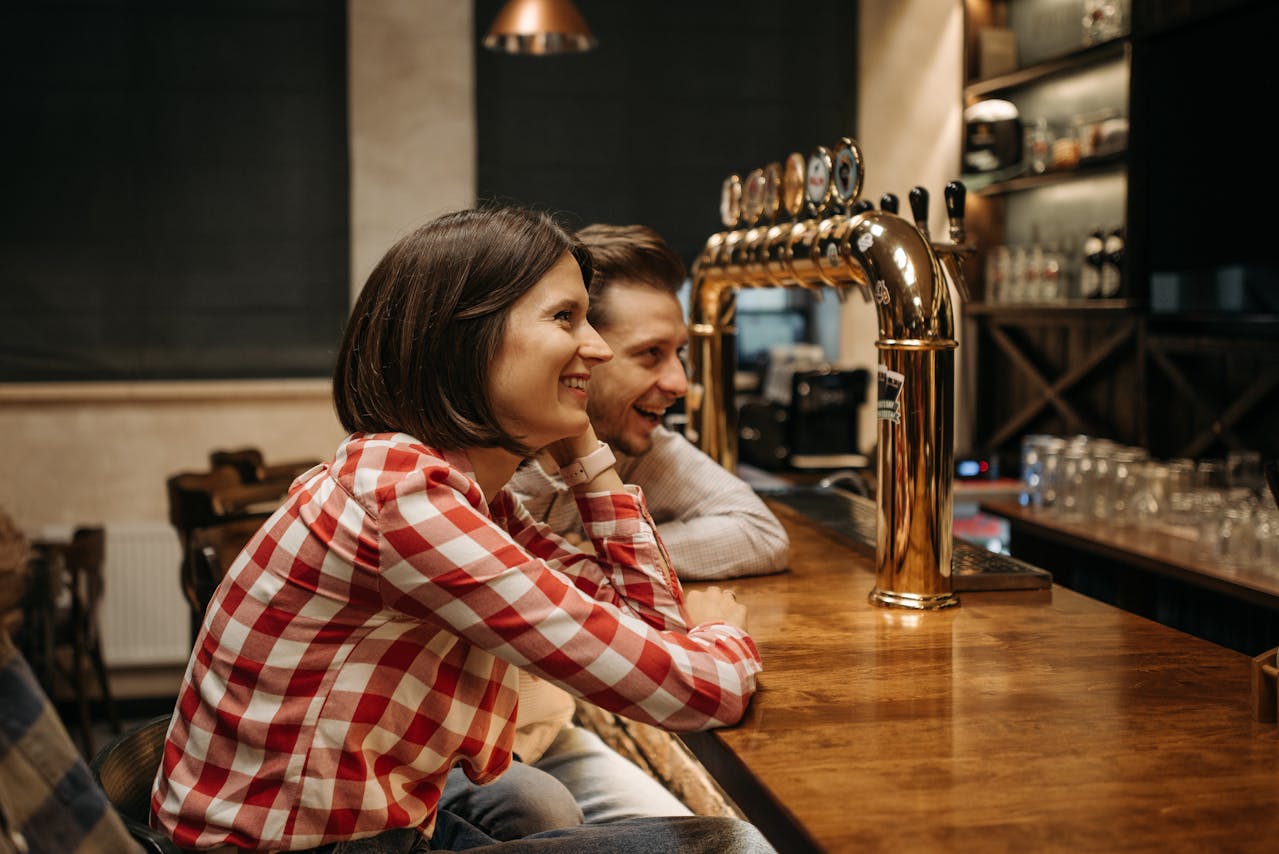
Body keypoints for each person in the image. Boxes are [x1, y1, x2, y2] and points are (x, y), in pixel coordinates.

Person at [149, 206, 772, 854]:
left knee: (530, 800)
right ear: (464, 341)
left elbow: (655, 625)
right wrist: (726, 634)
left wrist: (588, 460)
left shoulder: (471, 499)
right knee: (734, 846)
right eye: (566, 318)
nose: (596, 346)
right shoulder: (404, 502)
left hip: (356, 823)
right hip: (296, 849)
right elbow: (693, 693)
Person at [476, 224, 790, 827]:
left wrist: (591, 526)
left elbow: (758, 531)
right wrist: (719, 635)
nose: (679, 384)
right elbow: (696, 688)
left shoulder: (627, 445)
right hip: (470, 759)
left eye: (681, 356)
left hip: (545, 733)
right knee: (543, 809)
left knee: (734, 838)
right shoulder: (470, 480)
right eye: (651, 354)